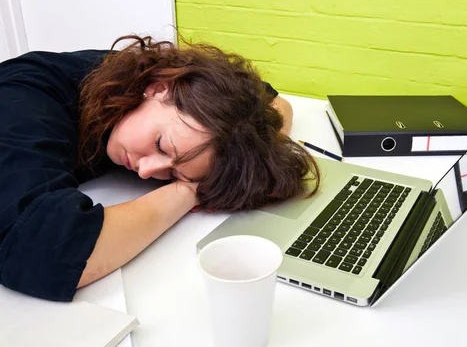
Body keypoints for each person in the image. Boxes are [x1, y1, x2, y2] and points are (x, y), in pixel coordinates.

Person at [0, 35, 320, 302]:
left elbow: (274, 103)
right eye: (161, 146)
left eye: (173, 172)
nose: (145, 172)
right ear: (157, 89)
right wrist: (188, 190)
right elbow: (45, 249)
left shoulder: (169, 90)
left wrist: (255, 151)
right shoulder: (24, 104)